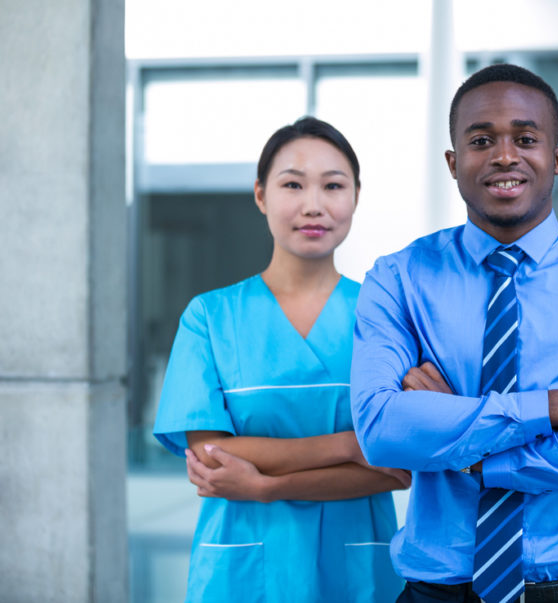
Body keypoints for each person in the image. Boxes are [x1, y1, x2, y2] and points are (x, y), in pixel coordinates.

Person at [350, 63, 558, 603]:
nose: (505, 155)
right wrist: (546, 408)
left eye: (526, 138)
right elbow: (382, 429)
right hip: (439, 591)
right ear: (454, 163)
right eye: (482, 141)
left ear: (557, 157)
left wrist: (474, 452)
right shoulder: (399, 278)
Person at [152, 116, 409, 603]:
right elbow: (210, 457)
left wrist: (267, 484)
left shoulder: (387, 317)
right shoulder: (210, 317)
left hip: (356, 570)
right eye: (292, 184)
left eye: (333, 185)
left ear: (355, 196)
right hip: (242, 572)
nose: (313, 205)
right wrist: (351, 445)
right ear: (261, 195)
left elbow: (400, 468)